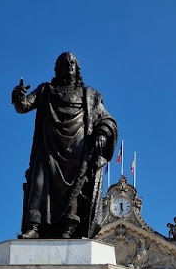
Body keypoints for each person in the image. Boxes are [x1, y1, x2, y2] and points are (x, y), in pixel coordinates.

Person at [12, 52, 118, 239]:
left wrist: (102, 133)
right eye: (64, 64)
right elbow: (23, 106)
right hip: (49, 146)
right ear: (57, 69)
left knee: (75, 188)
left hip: (78, 148)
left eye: (72, 64)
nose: (68, 67)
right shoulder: (46, 90)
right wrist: (18, 96)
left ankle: (68, 230)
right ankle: (34, 227)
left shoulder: (89, 95)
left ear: (77, 69)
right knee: (39, 182)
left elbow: (107, 119)